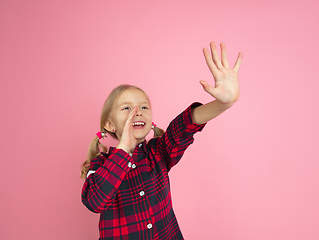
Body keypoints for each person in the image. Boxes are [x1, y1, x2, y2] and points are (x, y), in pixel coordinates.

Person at [81, 42, 243, 240]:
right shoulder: (100, 164)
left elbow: (184, 127)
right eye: (126, 108)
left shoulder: (158, 152)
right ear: (110, 124)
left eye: (143, 107)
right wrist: (123, 149)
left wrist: (223, 104)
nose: (137, 112)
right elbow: (94, 202)